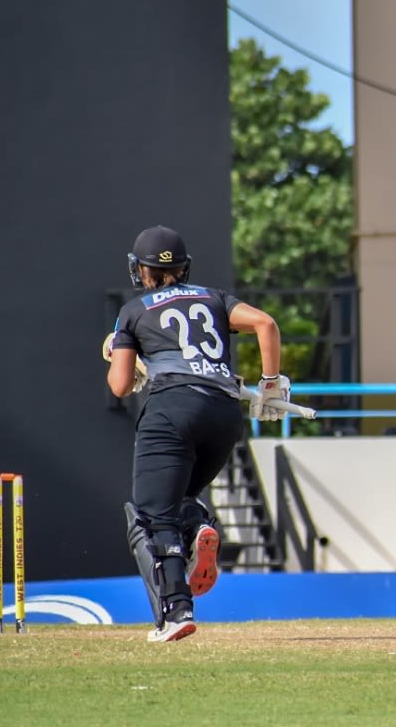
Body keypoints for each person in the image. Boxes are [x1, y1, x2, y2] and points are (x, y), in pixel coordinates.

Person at [105, 225, 292, 642]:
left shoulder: (134, 311)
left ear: (142, 270)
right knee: (177, 501)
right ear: (184, 266)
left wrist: (131, 363)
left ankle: (175, 611)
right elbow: (265, 324)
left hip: (171, 411)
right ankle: (198, 525)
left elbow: (118, 386)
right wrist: (270, 382)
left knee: (152, 517)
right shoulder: (215, 298)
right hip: (224, 415)